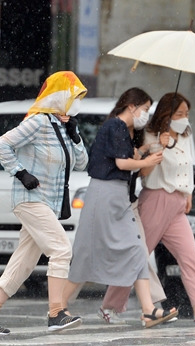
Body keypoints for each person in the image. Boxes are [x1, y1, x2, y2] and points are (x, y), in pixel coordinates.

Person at [0, 71, 89, 334]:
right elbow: (1, 144)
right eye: (74, 96)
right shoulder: (37, 122)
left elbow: (82, 163)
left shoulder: (66, 126)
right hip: (30, 199)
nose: (77, 102)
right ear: (60, 97)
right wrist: (20, 172)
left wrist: (76, 137)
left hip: (48, 202)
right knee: (61, 249)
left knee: (24, 260)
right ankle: (56, 313)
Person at [102, 92, 195, 326]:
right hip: (156, 200)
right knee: (137, 256)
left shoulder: (186, 135)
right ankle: (110, 305)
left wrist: (188, 192)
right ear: (166, 115)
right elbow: (143, 173)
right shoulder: (151, 134)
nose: (184, 118)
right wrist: (156, 149)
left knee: (189, 257)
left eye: (186, 114)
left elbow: (190, 164)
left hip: (178, 203)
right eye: (179, 113)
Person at [61, 87, 178, 328]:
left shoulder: (124, 129)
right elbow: (123, 162)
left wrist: (148, 150)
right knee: (86, 255)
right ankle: (58, 307)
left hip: (119, 196)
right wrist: (146, 161)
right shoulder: (115, 126)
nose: (145, 114)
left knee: (136, 249)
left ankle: (148, 310)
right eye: (145, 109)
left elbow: (130, 154)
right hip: (104, 194)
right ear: (132, 106)